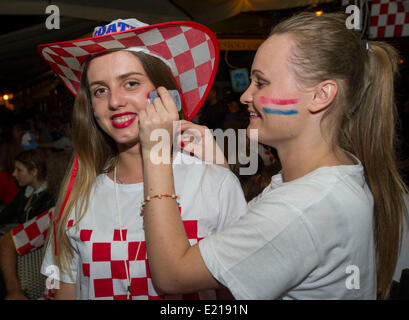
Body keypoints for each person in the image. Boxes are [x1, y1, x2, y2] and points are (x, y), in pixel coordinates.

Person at [137, 12, 409, 299]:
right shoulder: (330, 177)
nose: (245, 96)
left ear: (320, 96)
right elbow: (259, 244)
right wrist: (220, 169)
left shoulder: (303, 207)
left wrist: (155, 152)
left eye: (261, 83)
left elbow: (172, 275)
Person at [39, 18, 247, 300]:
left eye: (131, 83)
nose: (114, 101)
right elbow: (61, 292)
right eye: (100, 90)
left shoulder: (217, 183)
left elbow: (236, 296)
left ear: (168, 96)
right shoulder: (76, 195)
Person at [0, 149, 54, 231]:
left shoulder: (49, 199)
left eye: (19, 170)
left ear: (34, 172)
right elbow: (7, 213)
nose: (14, 174)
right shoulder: (26, 190)